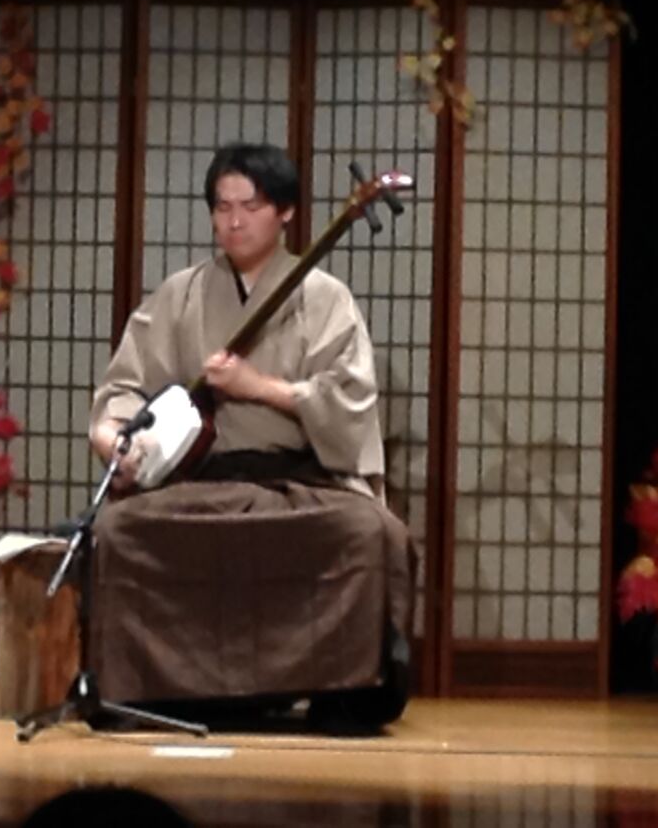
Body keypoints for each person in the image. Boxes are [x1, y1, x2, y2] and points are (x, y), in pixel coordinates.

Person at [85, 142, 414, 726]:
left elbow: (348, 399)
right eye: (222, 207)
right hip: (201, 481)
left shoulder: (325, 299)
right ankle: (151, 691)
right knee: (119, 531)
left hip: (299, 481)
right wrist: (115, 438)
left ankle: (342, 691)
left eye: (251, 206)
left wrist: (258, 386)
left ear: (286, 212)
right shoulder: (181, 294)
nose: (233, 221)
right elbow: (125, 390)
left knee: (369, 533)